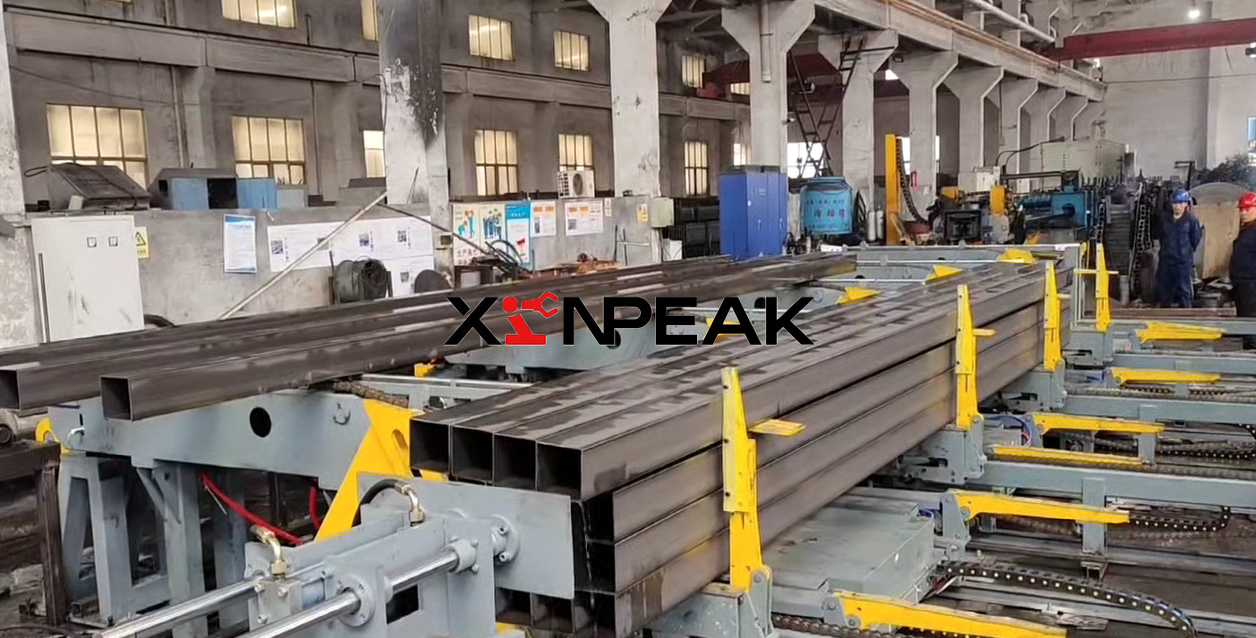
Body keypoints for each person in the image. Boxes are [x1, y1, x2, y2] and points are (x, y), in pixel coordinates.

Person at [1155, 189, 1203, 308]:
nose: (1177, 206)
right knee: (1164, 291)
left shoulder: (1191, 220)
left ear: (1186, 204)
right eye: (1175, 203)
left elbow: (1195, 239)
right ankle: (1165, 314)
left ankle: (1186, 314)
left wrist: (1185, 253)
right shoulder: (1164, 219)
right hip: (1166, 261)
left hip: (1183, 263)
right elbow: (1161, 236)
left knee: (1184, 291)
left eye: (1180, 203)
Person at [1231, 192, 1256, 349]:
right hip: (1242, 281)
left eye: (1247, 209)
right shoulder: (1247, 229)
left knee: (1251, 318)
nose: (1243, 213)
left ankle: (1252, 349)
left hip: (1252, 282)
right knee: (1244, 316)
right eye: (1241, 209)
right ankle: (1248, 345)